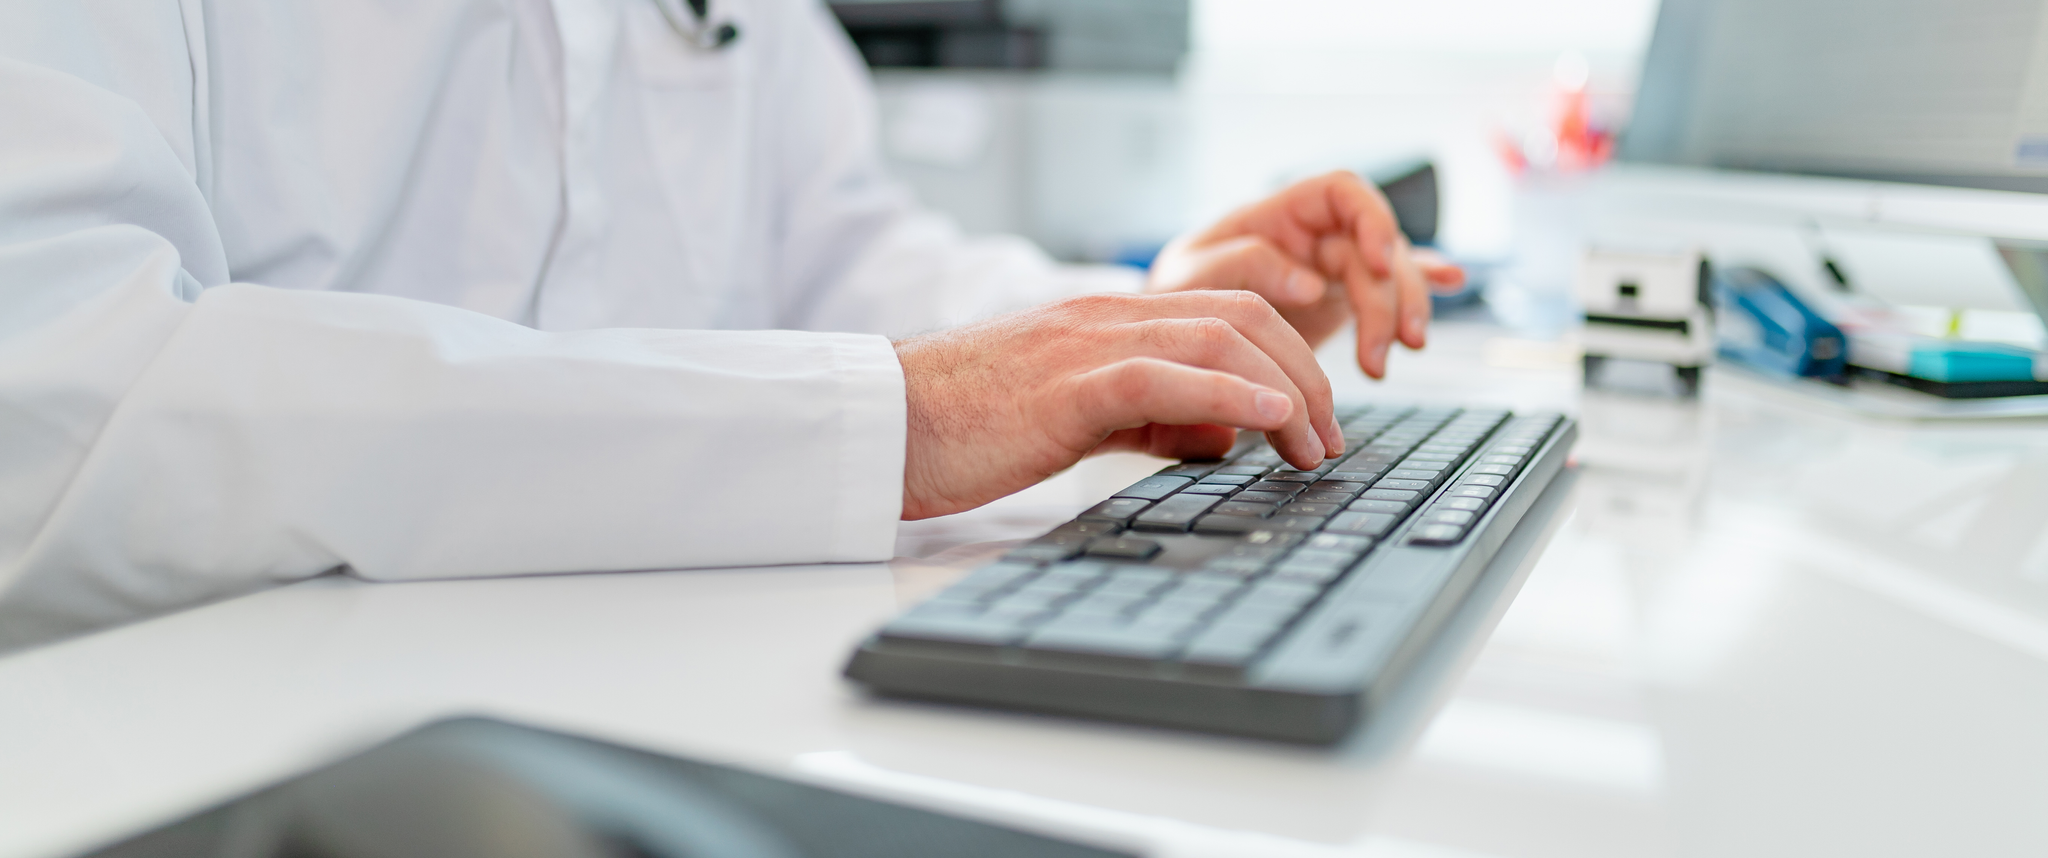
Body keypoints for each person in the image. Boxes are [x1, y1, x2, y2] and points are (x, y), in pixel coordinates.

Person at [0, 0, 1460, 651]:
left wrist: (1150, 330)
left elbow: (838, 254)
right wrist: (913, 414)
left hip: (642, 686)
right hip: (206, 739)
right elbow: (70, 403)